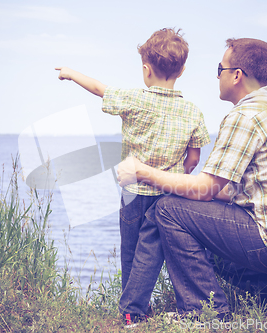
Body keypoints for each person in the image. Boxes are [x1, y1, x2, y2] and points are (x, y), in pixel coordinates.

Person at [117, 38, 267, 318]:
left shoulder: (247, 115)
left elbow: (205, 190)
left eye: (221, 69)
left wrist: (143, 171)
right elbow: (236, 190)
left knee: (168, 210)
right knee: (197, 217)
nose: (217, 76)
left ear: (237, 75)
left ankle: (205, 313)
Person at [55, 28, 211, 324]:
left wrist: (71, 73)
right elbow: (194, 157)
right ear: (183, 70)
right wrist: (180, 173)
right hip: (166, 195)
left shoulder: (134, 99)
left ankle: (132, 308)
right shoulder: (193, 112)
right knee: (152, 252)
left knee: (130, 250)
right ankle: (135, 306)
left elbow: (101, 89)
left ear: (145, 69)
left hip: (132, 192)